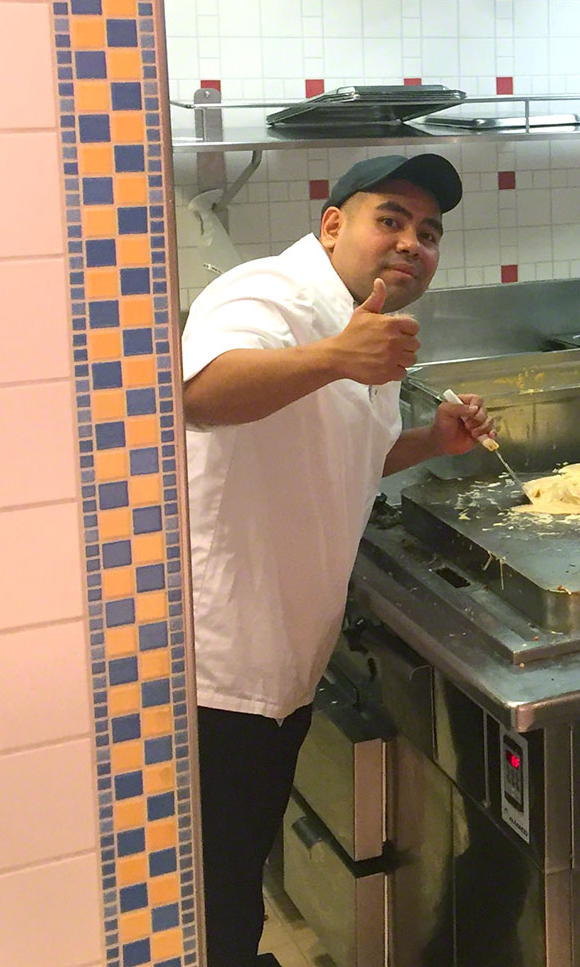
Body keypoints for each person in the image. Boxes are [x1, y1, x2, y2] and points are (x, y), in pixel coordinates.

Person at [180, 152, 497, 967]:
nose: (412, 242)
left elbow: (350, 449)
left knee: (234, 869)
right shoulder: (268, 294)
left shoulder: (365, 322)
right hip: (220, 667)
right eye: (390, 220)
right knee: (213, 899)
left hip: (284, 652)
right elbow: (199, 394)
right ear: (331, 226)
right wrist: (335, 357)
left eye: (428, 232)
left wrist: (430, 442)